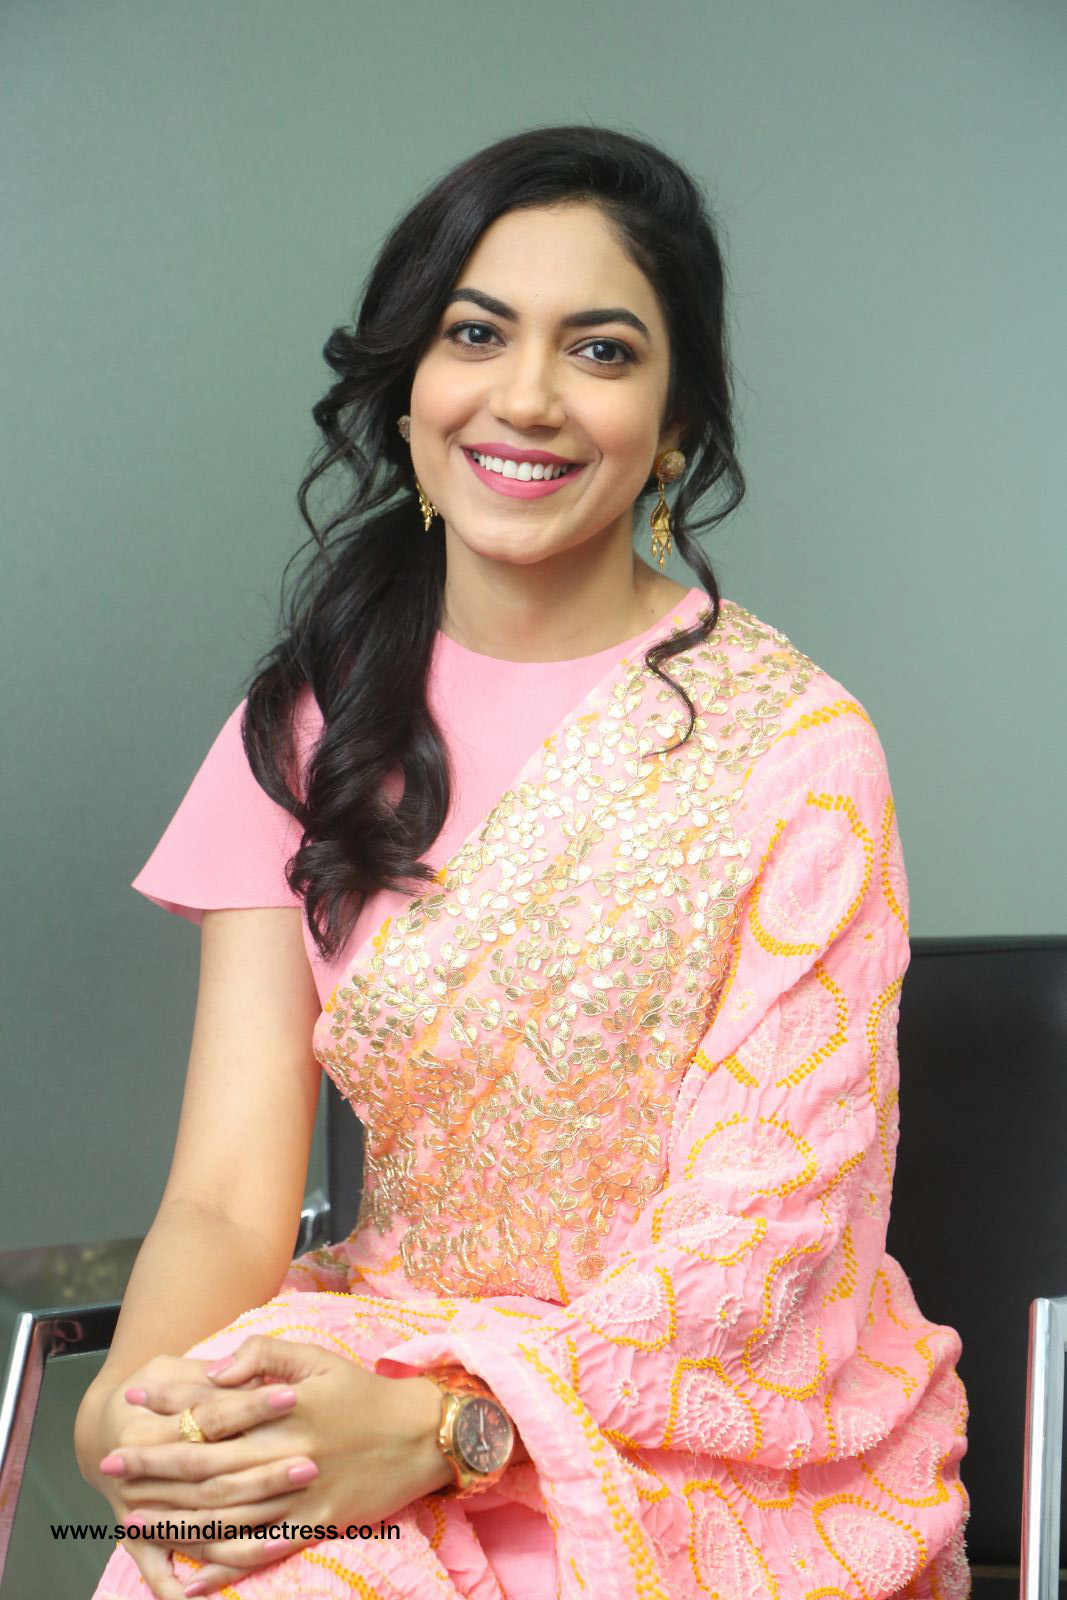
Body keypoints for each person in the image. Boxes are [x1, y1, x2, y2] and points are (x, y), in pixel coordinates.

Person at [78, 124, 969, 1600]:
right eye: (476, 333)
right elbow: (229, 1200)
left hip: (707, 1426)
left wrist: (456, 1430)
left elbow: (763, 1244)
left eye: (602, 350)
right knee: (200, 1558)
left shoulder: (798, 748)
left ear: (676, 422)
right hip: (379, 1357)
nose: (530, 396)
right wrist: (137, 1409)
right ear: (410, 387)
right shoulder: (308, 726)